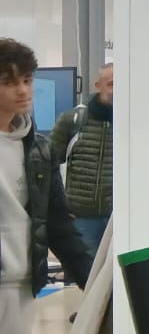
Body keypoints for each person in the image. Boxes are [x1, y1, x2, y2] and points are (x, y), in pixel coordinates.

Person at [0, 39, 93, 334]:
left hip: (18, 287)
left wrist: (96, 282)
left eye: (27, 80)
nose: (22, 91)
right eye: (8, 81)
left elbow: (57, 222)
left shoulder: (35, 147)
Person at [50, 61, 113, 256]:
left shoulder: (131, 124)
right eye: (112, 84)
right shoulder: (73, 120)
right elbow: (48, 165)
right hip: (82, 217)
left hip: (118, 216)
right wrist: (59, 208)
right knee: (85, 270)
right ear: (98, 85)